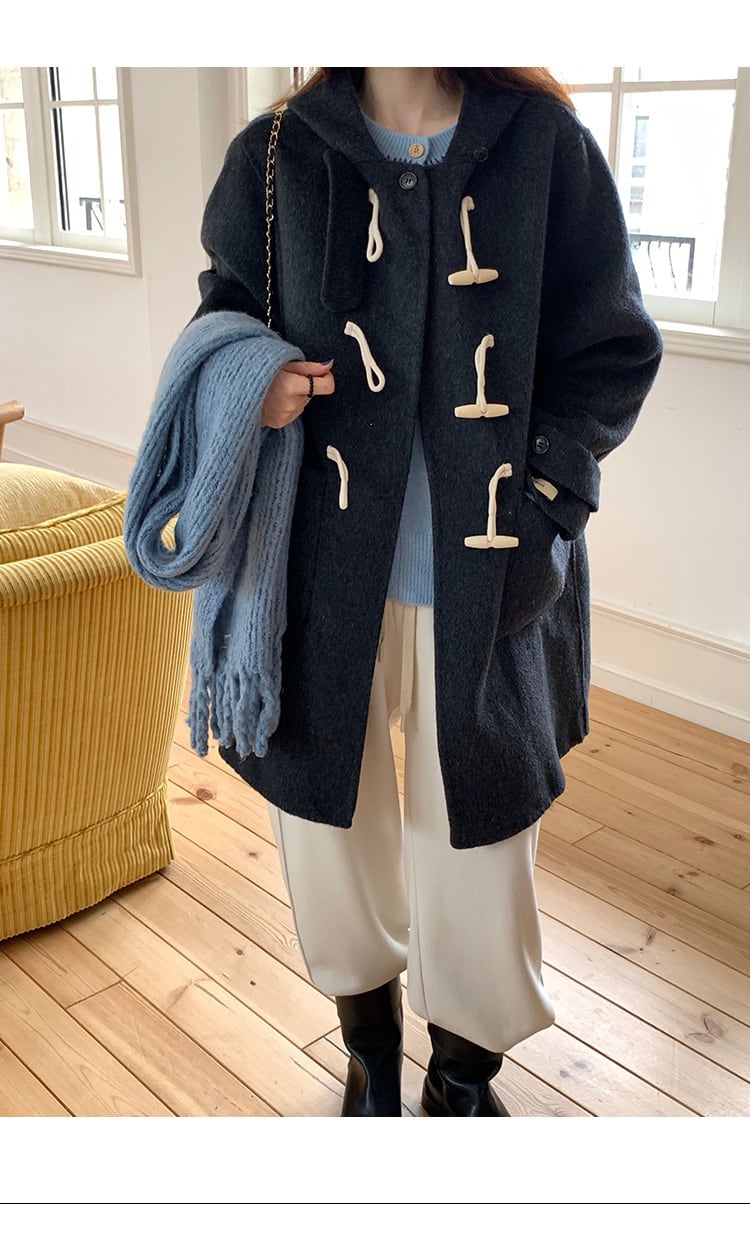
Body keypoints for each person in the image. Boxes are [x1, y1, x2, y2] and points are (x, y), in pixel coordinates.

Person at [187, 67, 664, 1116]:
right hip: (317, 571)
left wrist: (548, 494)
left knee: (483, 836)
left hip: (495, 575)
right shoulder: (276, 154)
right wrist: (253, 383)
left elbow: (612, 349)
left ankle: (461, 1079)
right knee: (329, 827)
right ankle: (370, 1050)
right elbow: (222, 317)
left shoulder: (547, 148)